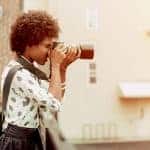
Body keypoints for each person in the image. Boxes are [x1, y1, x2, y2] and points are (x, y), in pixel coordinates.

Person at [0, 10, 78, 150]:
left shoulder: (28, 70)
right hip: (17, 142)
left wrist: (62, 68)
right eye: (47, 46)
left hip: (28, 138)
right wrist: (55, 65)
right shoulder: (20, 73)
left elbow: (54, 98)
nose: (50, 52)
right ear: (30, 44)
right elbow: (54, 104)